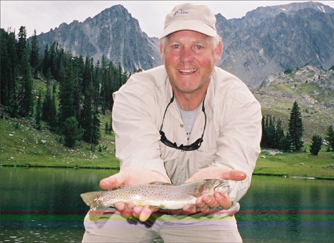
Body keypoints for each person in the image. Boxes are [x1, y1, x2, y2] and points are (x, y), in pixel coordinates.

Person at [82, 2, 261, 242]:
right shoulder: (134, 93)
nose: (186, 58)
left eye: (198, 46)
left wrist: (225, 187)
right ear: (162, 50)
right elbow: (140, 157)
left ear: (217, 51)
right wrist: (148, 178)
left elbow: (235, 165)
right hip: (132, 209)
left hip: (207, 215)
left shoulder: (241, 102)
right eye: (176, 46)